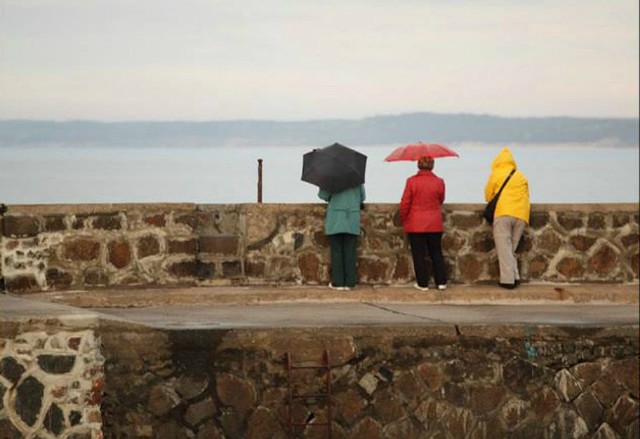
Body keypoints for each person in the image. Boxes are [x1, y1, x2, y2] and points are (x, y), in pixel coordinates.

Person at [484, 148, 530, 289]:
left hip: (503, 213)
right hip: (521, 215)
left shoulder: (496, 174)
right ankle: (515, 277)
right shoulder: (521, 175)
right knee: (511, 248)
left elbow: (488, 195)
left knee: (504, 248)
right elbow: (527, 195)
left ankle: (507, 281)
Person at [399, 156, 447, 291]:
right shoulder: (439, 182)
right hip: (434, 223)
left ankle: (422, 283)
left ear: (418, 166)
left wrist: (404, 218)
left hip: (416, 224)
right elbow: (441, 199)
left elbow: (405, 203)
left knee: (418, 254)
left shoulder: (411, 181)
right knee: (436, 252)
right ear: (432, 166)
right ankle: (441, 281)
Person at [318, 185, 366, 291]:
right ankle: (350, 282)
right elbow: (362, 197)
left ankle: (338, 282)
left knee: (336, 251)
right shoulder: (357, 180)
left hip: (335, 218)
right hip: (351, 217)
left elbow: (323, 195)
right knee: (350, 251)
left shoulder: (332, 179)